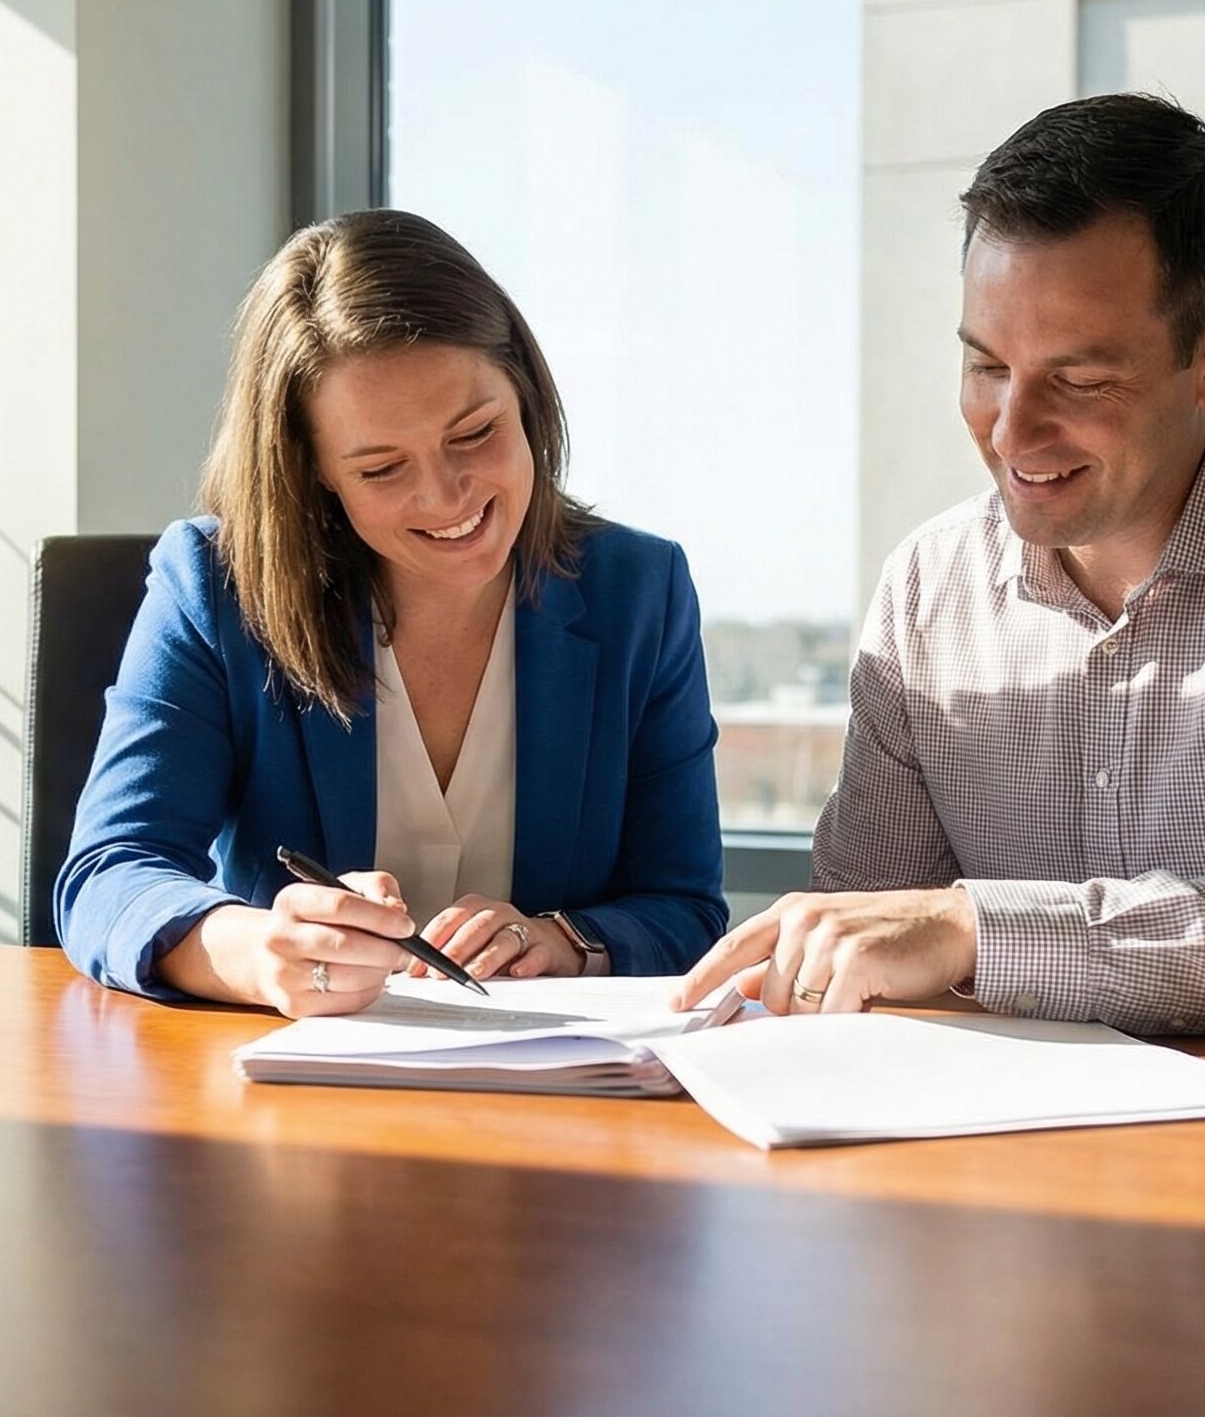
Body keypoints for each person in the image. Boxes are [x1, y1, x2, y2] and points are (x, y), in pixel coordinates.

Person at [678, 93, 1205, 1034]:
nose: (1010, 431)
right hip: (1023, 1138)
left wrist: (976, 927)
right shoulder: (928, 589)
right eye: (987, 366)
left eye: (1078, 380)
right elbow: (863, 934)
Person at [58, 208, 726, 1015]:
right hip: (288, 1097)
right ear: (314, 474)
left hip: (562, 1097)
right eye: (380, 468)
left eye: (475, 432)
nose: (446, 497)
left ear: (527, 395)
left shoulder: (639, 591)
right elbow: (109, 873)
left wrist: (562, 940)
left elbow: (684, 909)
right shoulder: (213, 586)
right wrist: (255, 952)